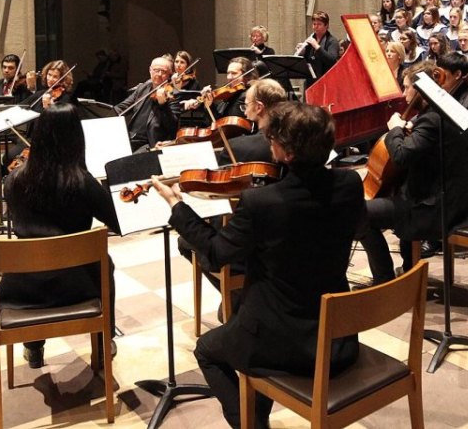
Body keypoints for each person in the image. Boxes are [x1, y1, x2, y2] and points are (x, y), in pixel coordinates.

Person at [150, 102, 364, 429]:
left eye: (273, 140)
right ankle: (256, 411)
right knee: (243, 322)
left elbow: (218, 252)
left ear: (287, 154)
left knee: (207, 350)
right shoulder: (349, 185)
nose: (270, 145)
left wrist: (177, 205)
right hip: (338, 338)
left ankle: (252, 425)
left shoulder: (262, 203)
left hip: (282, 342)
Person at [0, 102, 119, 369]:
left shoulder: (14, 180)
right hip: (77, 285)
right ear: (77, 138)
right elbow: (118, 224)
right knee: (105, 263)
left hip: (23, 289)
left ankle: (33, 346)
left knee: (36, 254)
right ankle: (103, 341)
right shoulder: (82, 182)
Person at [358, 61, 468, 285]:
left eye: (406, 87)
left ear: (421, 89)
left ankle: (384, 281)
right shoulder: (446, 112)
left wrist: (395, 130)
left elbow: (401, 156)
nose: (403, 94)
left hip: (434, 208)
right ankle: (410, 268)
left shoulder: (431, 120)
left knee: (358, 212)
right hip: (455, 199)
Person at [115, 55, 179, 151]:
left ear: (169, 74)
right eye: (156, 70)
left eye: (164, 72)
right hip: (130, 138)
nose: (159, 74)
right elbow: (122, 107)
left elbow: (172, 126)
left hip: (149, 143)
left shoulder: (173, 94)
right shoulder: (143, 88)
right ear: (150, 70)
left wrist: (162, 105)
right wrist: (106, 113)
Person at [296, 11, 340, 87]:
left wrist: (317, 46)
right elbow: (308, 61)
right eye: (314, 24)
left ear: (326, 26)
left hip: (326, 82)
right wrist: (302, 53)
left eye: (319, 24)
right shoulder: (311, 40)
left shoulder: (332, 41)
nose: (315, 27)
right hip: (310, 82)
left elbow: (332, 60)